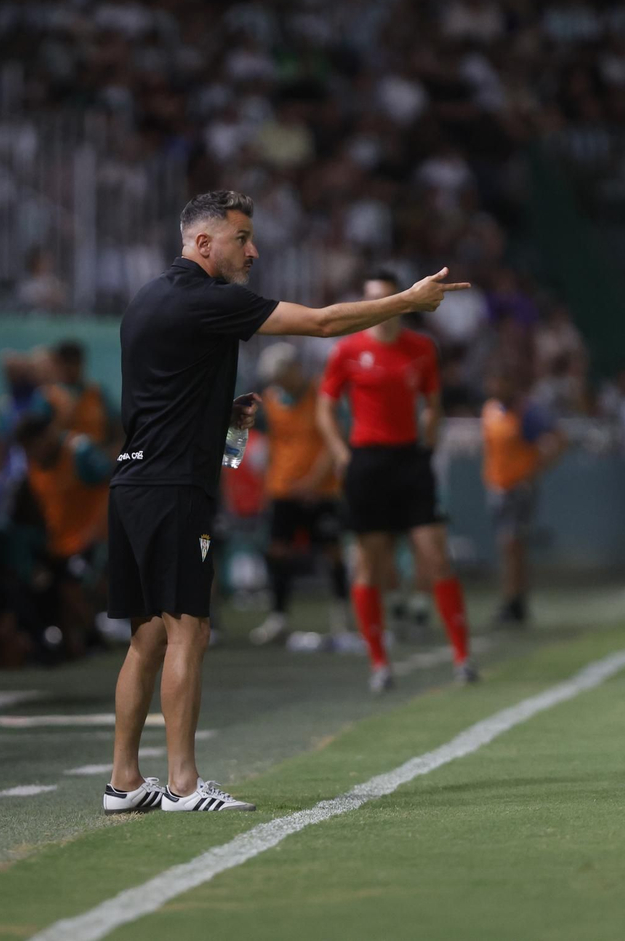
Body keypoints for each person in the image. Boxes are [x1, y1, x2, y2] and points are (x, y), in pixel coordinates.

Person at [103, 190, 468, 815]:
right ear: (202, 244)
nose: (253, 250)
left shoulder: (146, 300)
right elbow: (324, 323)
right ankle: (185, 785)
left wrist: (222, 413)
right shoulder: (208, 299)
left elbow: (158, 396)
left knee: (146, 639)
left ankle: (124, 783)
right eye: (241, 238)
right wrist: (408, 301)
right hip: (172, 492)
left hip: (132, 484)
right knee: (189, 631)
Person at [316, 272, 476, 692]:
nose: (380, 308)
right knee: (370, 565)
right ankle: (379, 663)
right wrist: (341, 454)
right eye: (372, 299)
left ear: (402, 302)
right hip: (366, 463)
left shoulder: (421, 349)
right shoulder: (347, 350)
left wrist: (428, 438)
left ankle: (463, 657)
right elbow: (325, 409)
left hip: (410, 459)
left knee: (435, 556)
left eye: (387, 298)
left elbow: (433, 402)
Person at [248, 342, 349, 649]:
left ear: (295, 368)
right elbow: (257, 437)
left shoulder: (322, 395)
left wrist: (312, 482)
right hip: (283, 489)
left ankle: (341, 617)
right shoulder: (270, 401)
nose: (277, 381)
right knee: (278, 550)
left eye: (281, 374)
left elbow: (335, 441)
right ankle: (278, 617)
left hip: (322, 490)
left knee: (331, 550)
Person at [16, 408, 112, 658]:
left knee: (72, 585)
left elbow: (113, 485)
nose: (32, 453)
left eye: (33, 445)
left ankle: (94, 637)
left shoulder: (80, 451)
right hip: (59, 543)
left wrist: (100, 531)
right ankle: (72, 642)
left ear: (46, 436)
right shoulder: (34, 465)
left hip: (92, 538)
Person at [482, 368, 564, 626]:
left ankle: (514, 601)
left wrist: (534, 470)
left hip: (519, 489)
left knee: (512, 543)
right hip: (497, 488)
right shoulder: (490, 411)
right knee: (508, 547)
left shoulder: (526, 411)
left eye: (501, 381)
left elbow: (557, 438)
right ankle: (515, 600)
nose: (496, 387)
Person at [45, 339, 120, 449]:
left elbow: (117, 424)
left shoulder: (98, 393)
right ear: (58, 365)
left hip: (99, 455)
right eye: (66, 363)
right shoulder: (48, 396)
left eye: (74, 363)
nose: (70, 368)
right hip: (63, 458)